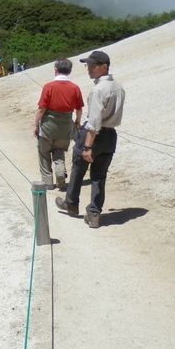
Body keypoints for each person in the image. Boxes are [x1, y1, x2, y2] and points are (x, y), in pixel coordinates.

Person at [55, 50, 125, 228]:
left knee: (78, 169)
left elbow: (94, 123)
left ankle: (71, 203)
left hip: (92, 135)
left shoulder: (98, 90)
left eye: (93, 66)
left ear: (104, 67)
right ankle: (94, 213)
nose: (89, 68)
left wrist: (87, 147)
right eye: (88, 65)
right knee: (99, 175)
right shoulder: (119, 87)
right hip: (110, 135)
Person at [34, 58, 83, 191]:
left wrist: (36, 125)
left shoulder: (48, 86)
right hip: (65, 127)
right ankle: (60, 176)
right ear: (70, 71)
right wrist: (77, 122)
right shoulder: (75, 88)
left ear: (55, 70)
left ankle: (48, 183)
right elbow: (79, 109)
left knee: (44, 154)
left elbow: (41, 109)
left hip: (47, 127)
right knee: (59, 152)